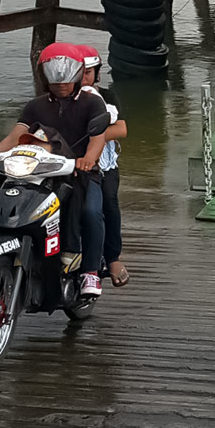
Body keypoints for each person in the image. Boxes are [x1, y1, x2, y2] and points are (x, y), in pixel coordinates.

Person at [0, 42, 109, 298]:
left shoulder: (92, 104)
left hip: (80, 174)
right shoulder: (36, 106)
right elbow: (17, 135)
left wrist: (88, 159)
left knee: (90, 212)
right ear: (44, 76)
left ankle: (90, 271)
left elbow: (98, 137)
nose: (61, 83)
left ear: (78, 74)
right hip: (43, 173)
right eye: (55, 77)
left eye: (67, 77)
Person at [77, 45, 130, 289]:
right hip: (70, 162)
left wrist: (92, 133)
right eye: (78, 72)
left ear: (97, 73)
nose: (83, 78)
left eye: (88, 72)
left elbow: (121, 129)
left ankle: (112, 258)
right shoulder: (64, 99)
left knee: (108, 202)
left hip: (104, 165)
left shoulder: (106, 97)